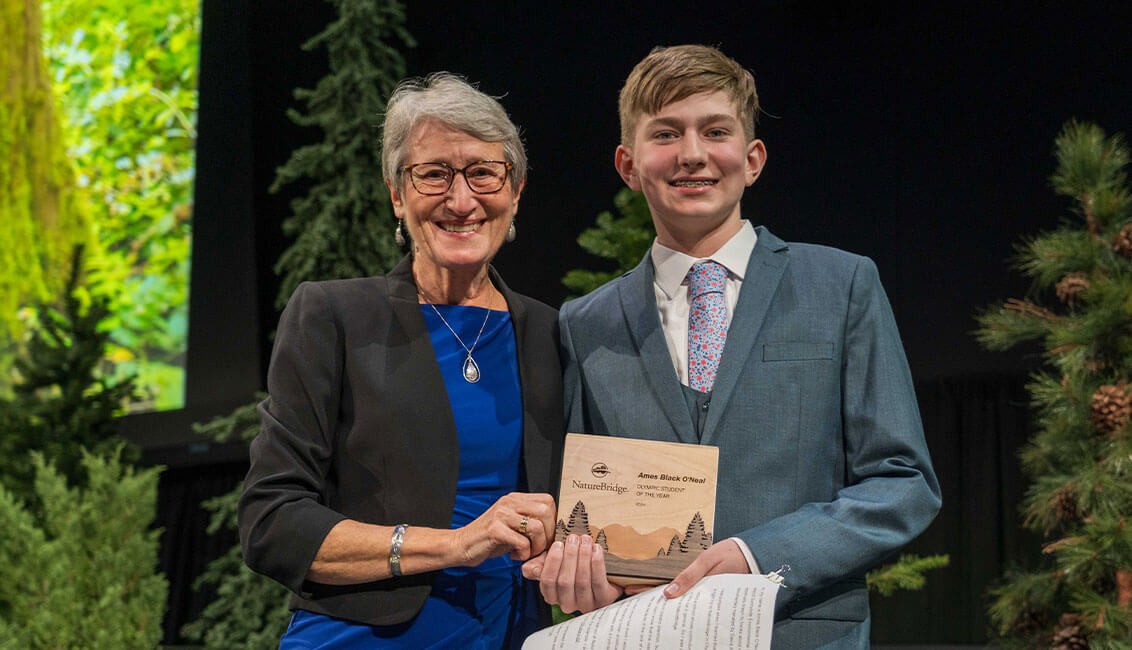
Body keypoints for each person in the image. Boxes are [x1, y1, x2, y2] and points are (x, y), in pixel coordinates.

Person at [524, 45, 940, 648]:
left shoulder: (841, 285)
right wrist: (582, 576)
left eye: (715, 131)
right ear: (627, 164)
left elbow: (903, 483)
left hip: (801, 634)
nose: (692, 154)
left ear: (752, 159)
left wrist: (757, 554)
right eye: (665, 134)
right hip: (647, 635)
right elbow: (580, 510)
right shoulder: (585, 322)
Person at [239, 72, 564, 649]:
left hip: (512, 632)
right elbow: (272, 522)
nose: (461, 200)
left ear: (515, 190)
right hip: (360, 637)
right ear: (397, 194)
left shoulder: (548, 330)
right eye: (434, 174)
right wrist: (458, 544)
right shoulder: (333, 316)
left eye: (483, 173)